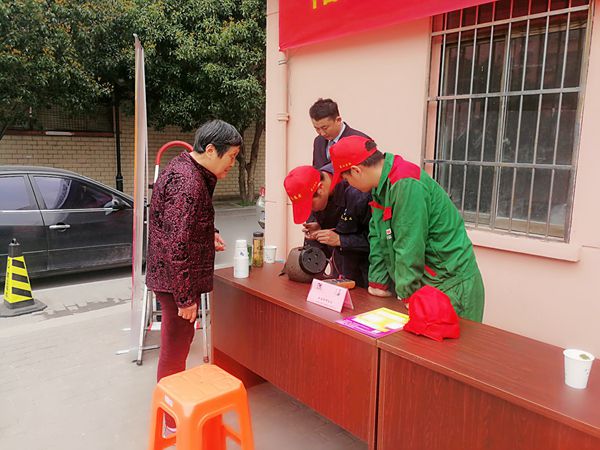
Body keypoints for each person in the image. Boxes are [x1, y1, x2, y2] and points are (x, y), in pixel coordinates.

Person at [145, 119, 242, 432]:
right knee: (175, 351)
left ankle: (171, 413)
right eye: (231, 157)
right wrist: (185, 298)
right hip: (175, 283)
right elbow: (177, 243)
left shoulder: (188, 170)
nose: (232, 164)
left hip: (173, 278)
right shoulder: (188, 181)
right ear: (211, 150)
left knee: (176, 347)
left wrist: (208, 232)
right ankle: (171, 420)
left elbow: (180, 223)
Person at [329, 135, 485, 322]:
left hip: (449, 283)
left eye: (346, 179)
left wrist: (407, 294)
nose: (349, 185)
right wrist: (378, 283)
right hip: (426, 283)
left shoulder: (405, 183)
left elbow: (409, 244)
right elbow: (378, 236)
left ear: (356, 171)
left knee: (451, 340)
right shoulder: (380, 188)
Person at [283, 163, 371, 288]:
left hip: (367, 274)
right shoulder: (315, 182)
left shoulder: (357, 191)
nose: (311, 211)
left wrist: (340, 240)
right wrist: (321, 227)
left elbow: (377, 240)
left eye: (310, 206)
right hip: (340, 273)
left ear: (320, 188)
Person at [309, 98, 370, 169]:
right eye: (317, 128)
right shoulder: (318, 141)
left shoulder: (360, 141)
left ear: (338, 120)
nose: (322, 133)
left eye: (325, 128)